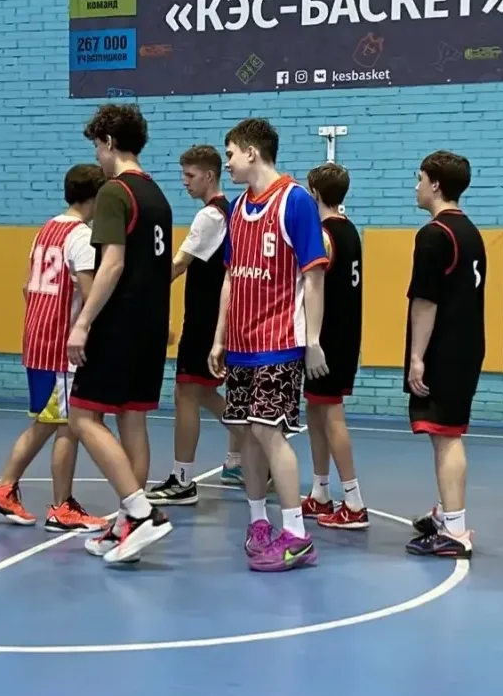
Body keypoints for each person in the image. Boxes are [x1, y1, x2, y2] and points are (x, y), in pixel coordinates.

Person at [209, 117, 328, 573]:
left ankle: (296, 534)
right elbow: (230, 278)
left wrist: (312, 340)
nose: (228, 163)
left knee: (267, 430)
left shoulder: (295, 201)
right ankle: (258, 522)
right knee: (247, 433)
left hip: (279, 341)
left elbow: (313, 277)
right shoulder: (238, 207)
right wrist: (219, 336)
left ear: (252, 152)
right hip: (241, 342)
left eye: (231, 154)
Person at [66, 103, 174, 565]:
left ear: (109, 142)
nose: (97, 154)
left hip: (119, 324)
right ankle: (130, 519)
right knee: (133, 418)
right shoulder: (158, 196)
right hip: (150, 324)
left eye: (97, 145)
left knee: (82, 418)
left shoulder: (114, 191)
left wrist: (83, 322)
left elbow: (112, 264)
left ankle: (141, 511)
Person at [0, 163, 108, 533]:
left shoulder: (46, 229)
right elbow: (92, 295)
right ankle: (61, 506)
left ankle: (4, 488)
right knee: (68, 424)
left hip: (37, 339)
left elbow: (27, 287)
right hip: (61, 346)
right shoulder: (82, 236)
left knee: (47, 422)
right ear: (96, 197)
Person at [147, 144, 245, 507]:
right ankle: (257, 452)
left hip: (204, 321)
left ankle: (183, 479)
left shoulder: (209, 216)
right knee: (203, 393)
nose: (185, 182)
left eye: (190, 176)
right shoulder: (231, 211)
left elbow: (176, 265)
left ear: (208, 175)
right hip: (216, 318)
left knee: (186, 392)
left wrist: (138, 290)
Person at [403, 151, 485, 559]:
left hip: (445, 351)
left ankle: (454, 529)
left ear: (435, 184)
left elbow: (425, 302)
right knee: (445, 434)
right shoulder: (470, 231)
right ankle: (445, 513)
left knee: (447, 436)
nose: (416, 185)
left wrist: (417, 357)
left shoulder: (434, 235)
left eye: (420, 178)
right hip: (467, 347)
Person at [300, 163, 369, 530]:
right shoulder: (349, 229)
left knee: (332, 414)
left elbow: (311, 285)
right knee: (315, 410)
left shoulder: (325, 235)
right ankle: (321, 491)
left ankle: (354, 501)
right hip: (342, 334)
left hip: (328, 339)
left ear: (314, 193)